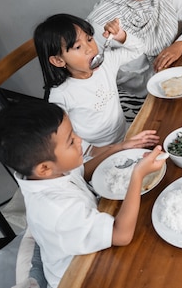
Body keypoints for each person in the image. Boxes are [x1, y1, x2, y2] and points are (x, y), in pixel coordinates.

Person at [0, 100, 167, 288]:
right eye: (71, 141)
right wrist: (137, 175)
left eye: (74, 132)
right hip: (78, 275)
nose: (80, 140)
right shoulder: (58, 210)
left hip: (89, 242)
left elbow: (82, 172)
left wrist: (119, 148)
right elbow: (121, 235)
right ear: (44, 168)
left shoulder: (47, 174)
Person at [34, 13, 160, 174]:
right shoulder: (61, 95)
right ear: (59, 61)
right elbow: (61, 136)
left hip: (126, 132)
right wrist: (96, 150)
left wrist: (121, 36)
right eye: (78, 47)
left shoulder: (107, 63)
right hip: (95, 152)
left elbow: (138, 48)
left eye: (89, 39)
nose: (89, 49)